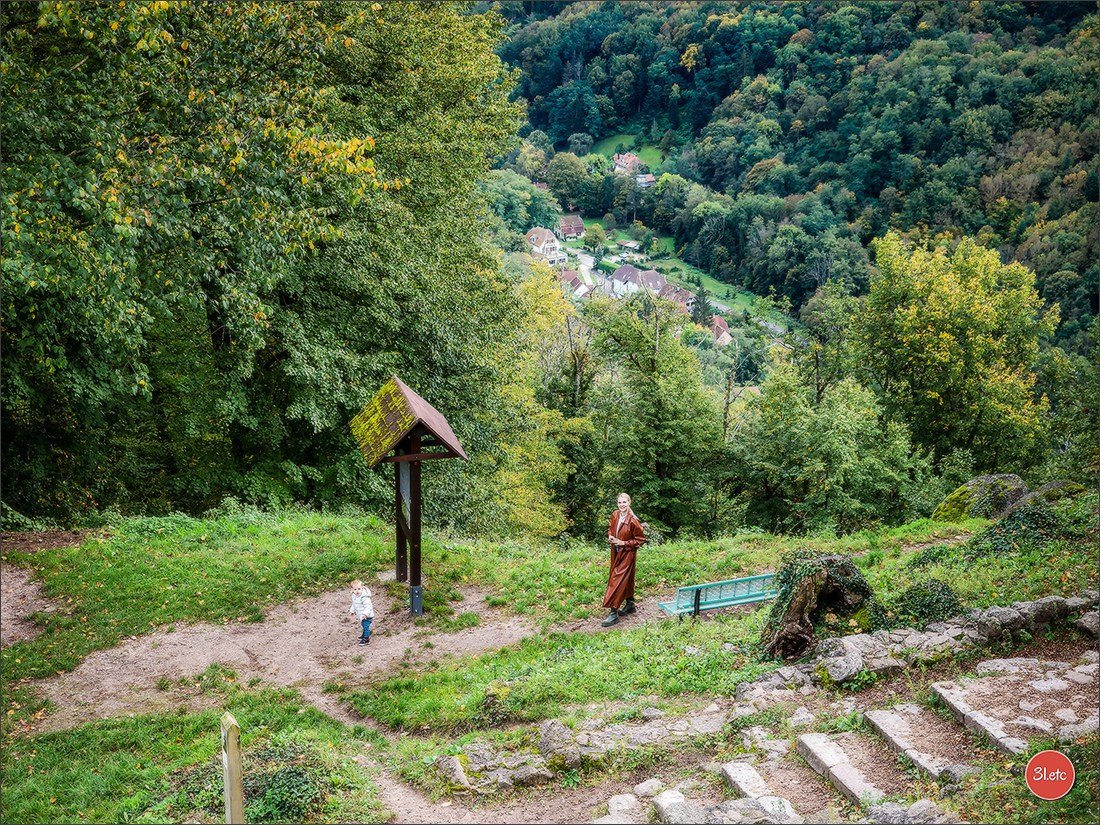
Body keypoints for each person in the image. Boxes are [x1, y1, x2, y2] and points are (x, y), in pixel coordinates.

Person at [601, 492, 646, 627]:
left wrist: (624, 543)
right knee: (627, 577)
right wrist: (610, 536)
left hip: (627, 553)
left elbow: (640, 539)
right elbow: (611, 528)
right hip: (615, 552)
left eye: (624, 502)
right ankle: (630, 604)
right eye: (620, 502)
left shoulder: (633, 520)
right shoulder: (615, 515)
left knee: (616, 579)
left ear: (629, 503)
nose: (622, 505)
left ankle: (613, 612)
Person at [349, 579, 374, 645]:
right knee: (363, 625)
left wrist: (365, 614)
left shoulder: (364, 597)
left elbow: (368, 606)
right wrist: (352, 610)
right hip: (361, 615)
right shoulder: (354, 596)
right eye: (355, 589)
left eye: (359, 589)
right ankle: (364, 634)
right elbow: (354, 604)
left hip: (367, 615)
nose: (357, 591)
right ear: (352, 589)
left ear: (362, 588)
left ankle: (366, 639)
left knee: (365, 626)